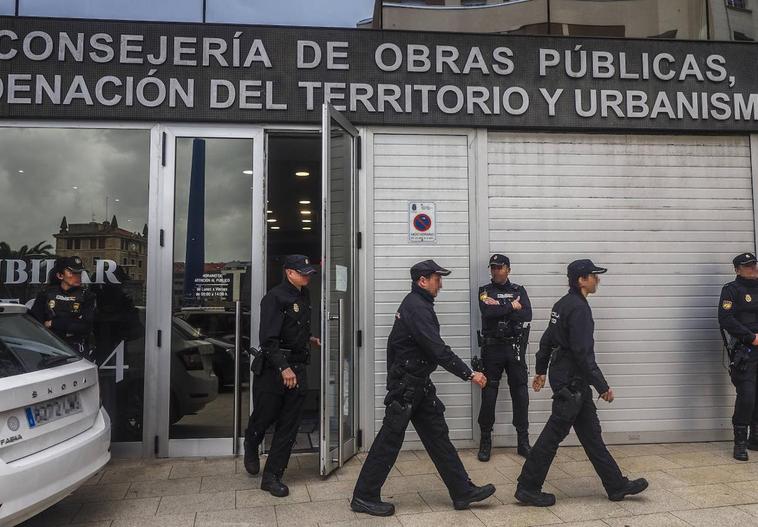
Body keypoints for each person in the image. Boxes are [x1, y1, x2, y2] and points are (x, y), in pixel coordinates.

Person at [351, 259, 496, 517]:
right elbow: (437, 349)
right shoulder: (416, 307)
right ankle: (364, 496)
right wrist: (469, 373)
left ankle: (462, 491)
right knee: (389, 441)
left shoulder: (419, 305)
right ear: (422, 281)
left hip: (418, 385)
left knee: (439, 438)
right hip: (407, 386)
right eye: (437, 278)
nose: (440, 283)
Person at [515, 259, 648, 507]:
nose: (597, 280)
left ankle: (616, 485)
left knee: (591, 436)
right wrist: (603, 386)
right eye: (593, 276)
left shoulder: (562, 305)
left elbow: (547, 340)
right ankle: (528, 487)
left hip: (569, 379)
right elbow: (583, 353)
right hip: (572, 382)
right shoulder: (579, 309)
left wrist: (541, 370)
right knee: (552, 435)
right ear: (581, 280)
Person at [243, 254, 321, 497]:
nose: (307, 275)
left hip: (297, 367)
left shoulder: (303, 295)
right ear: (289, 272)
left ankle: (272, 476)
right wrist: (283, 368)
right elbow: (269, 339)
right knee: (265, 417)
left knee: (289, 425)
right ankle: (251, 442)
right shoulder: (274, 297)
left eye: (308, 271)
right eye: (302, 271)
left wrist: (309, 339)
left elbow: (293, 328)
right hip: (274, 370)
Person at [477, 253, 532, 461]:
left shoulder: (519, 290)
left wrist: (499, 308)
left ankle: (523, 441)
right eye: (493, 267)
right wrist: (511, 307)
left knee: (520, 393)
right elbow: (487, 312)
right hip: (492, 350)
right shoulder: (484, 291)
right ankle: (485, 441)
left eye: (500, 267)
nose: (496, 271)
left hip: (514, 348)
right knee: (489, 394)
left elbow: (527, 314)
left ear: (508, 269)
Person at [718, 252, 758, 461]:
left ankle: (755, 438)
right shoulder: (731, 290)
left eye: (754, 264)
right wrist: (751, 337)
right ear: (737, 270)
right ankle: (740, 443)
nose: (753, 268)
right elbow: (725, 318)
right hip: (746, 350)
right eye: (748, 266)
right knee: (747, 395)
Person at [30, 256, 96, 355]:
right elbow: (36, 323)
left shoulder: (87, 296)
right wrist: (71, 322)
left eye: (79, 273)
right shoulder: (45, 294)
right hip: (50, 347)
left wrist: (52, 323)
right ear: (60, 275)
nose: (77, 276)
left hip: (76, 348)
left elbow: (85, 326)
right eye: (72, 272)